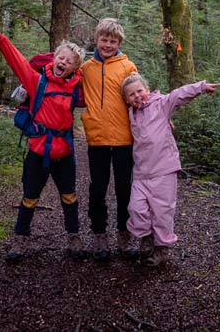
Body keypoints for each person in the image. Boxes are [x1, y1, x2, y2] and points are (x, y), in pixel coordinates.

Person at [0, 21, 87, 263]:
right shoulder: (36, 81)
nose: (63, 62)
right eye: (61, 57)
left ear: (75, 68)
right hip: (38, 151)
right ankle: (20, 240)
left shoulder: (77, 90)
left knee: (70, 196)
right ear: (54, 58)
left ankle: (74, 237)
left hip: (64, 153)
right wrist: (0, 39)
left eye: (69, 61)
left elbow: (108, 100)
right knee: (30, 197)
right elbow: (17, 61)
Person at [121, 72, 220, 266]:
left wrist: (200, 87)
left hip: (164, 169)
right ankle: (146, 237)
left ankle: (161, 249)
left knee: (162, 211)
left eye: (139, 91)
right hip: (142, 172)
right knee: (136, 208)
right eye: (131, 95)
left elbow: (178, 94)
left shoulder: (161, 105)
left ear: (148, 91)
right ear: (126, 100)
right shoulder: (131, 113)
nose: (137, 96)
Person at [79, 18, 139, 260]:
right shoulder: (86, 68)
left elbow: (139, 97)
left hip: (124, 139)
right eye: (104, 40)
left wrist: (162, 117)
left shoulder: (127, 67)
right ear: (97, 40)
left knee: (125, 191)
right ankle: (99, 237)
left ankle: (124, 237)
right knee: (97, 190)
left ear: (119, 43)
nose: (107, 44)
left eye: (112, 41)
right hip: (97, 139)